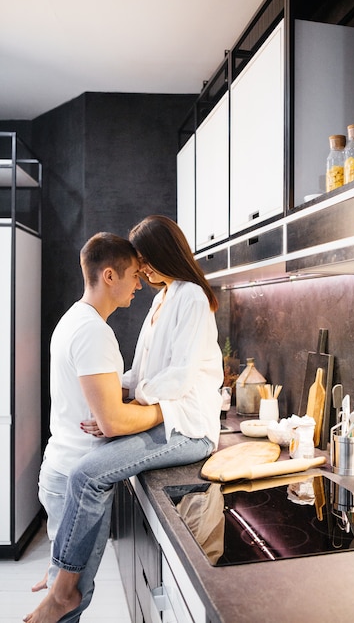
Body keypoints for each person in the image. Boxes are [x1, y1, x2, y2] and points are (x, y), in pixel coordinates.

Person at [24, 215, 223, 623]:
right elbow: (141, 373)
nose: (143, 272)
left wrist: (126, 407)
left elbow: (180, 377)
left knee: (88, 474)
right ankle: (63, 584)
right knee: (87, 475)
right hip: (165, 416)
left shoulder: (192, 297)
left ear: (166, 254)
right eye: (138, 266)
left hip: (190, 426)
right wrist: (119, 398)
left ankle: (62, 588)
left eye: (146, 262)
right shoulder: (161, 299)